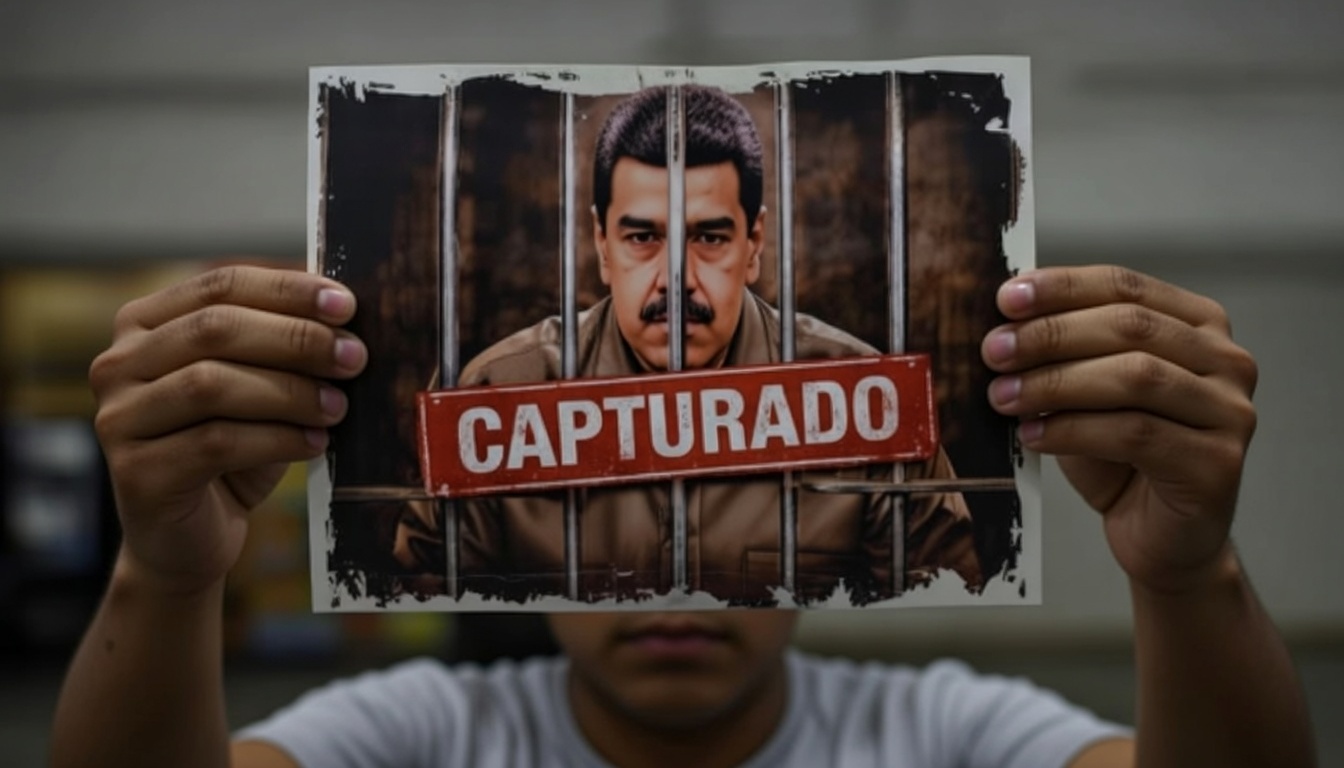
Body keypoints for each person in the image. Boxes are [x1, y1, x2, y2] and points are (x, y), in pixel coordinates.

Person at [51, 262, 1316, 767]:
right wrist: (165, 578)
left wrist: (1186, 575)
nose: (666, 570)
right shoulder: (419, 731)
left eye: (724, 499)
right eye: (604, 501)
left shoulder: (944, 731)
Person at [449, 84, 979, 606]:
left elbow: (945, 622)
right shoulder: (491, 398)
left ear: (754, 244)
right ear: (602, 244)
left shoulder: (873, 407)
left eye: (709, 238)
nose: (675, 279)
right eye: (642, 238)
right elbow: (436, 612)